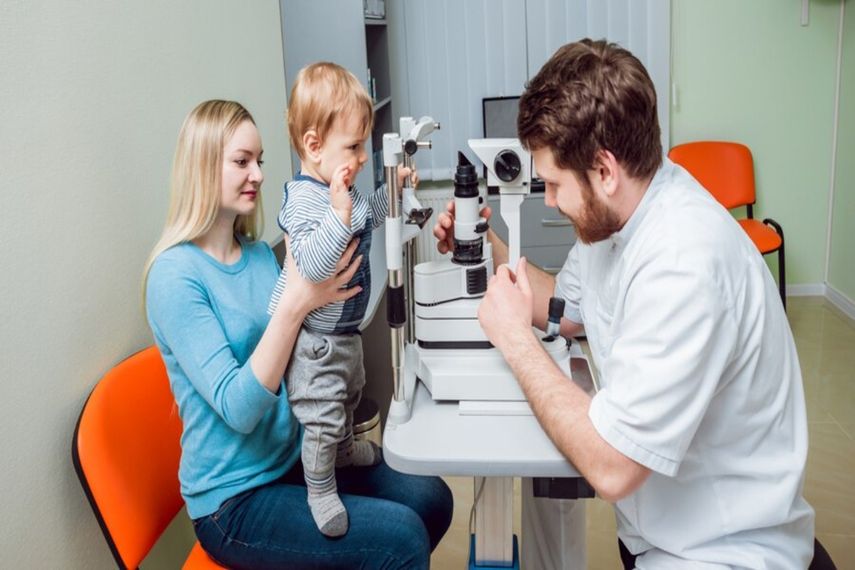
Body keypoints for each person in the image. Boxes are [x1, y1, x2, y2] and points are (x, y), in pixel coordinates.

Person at [435, 39, 815, 568]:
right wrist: (487, 242)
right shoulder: (618, 218)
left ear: (604, 169)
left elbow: (613, 468)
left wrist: (516, 340)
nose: (547, 200)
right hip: (659, 531)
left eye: (553, 183)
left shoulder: (684, 262)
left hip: (721, 552)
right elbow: (568, 309)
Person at [145, 99, 451, 569]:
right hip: (235, 500)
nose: (260, 175)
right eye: (242, 162)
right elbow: (241, 410)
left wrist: (395, 208)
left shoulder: (257, 256)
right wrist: (297, 303)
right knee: (401, 540)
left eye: (260, 161)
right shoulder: (175, 277)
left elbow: (309, 340)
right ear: (204, 167)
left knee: (431, 496)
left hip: (293, 458)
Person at [266, 62, 417, 537]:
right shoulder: (305, 199)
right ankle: (320, 485)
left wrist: (392, 193)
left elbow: (365, 218)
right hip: (317, 345)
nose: (362, 156)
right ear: (314, 146)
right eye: (353, 147)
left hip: (343, 337)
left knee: (351, 397)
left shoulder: (340, 192)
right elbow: (309, 265)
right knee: (323, 419)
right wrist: (338, 215)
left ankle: (348, 450)